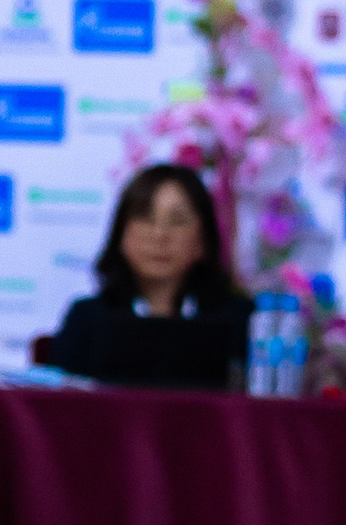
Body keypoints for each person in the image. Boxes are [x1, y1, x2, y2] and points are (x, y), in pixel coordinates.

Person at [49, 164, 250, 389]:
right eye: (145, 218)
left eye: (177, 220)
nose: (159, 235)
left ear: (203, 240)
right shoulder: (87, 318)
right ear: (121, 234)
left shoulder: (241, 319)